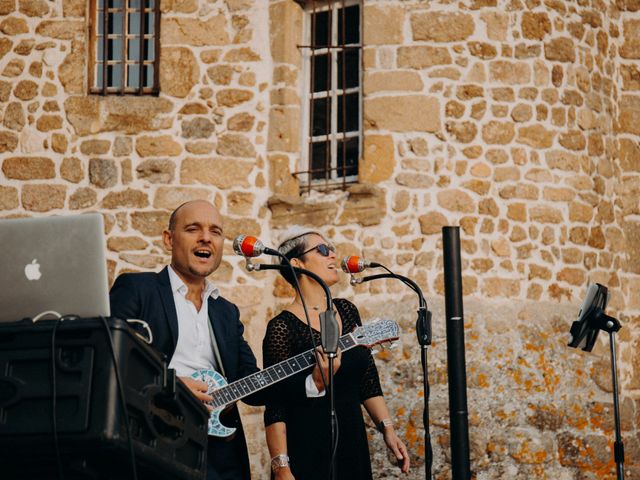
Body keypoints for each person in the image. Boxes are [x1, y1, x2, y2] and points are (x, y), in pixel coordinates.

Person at [109, 199, 262, 480]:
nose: (206, 237)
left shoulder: (226, 312)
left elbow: (253, 384)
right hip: (153, 439)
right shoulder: (137, 289)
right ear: (169, 239)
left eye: (215, 231)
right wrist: (169, 385)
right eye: (193, 229)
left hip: (218, 454)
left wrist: (310, 375)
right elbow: (111, 359)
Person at [262, 228, 410, 479]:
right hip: (307, 446)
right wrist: (282, 468)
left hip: (352, 442)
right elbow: (275, 405)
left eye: (331, 248)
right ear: (297, 263)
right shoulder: (282, 327)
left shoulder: (347, 310)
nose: (333, 254)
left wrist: (388, 430)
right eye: (322, 250)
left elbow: (368, 380)